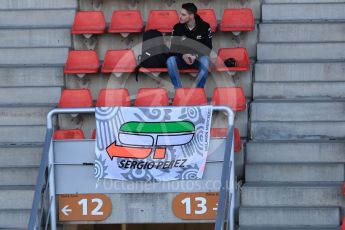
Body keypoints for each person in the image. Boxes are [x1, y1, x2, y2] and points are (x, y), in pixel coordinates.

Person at [167, 3, 213, 89]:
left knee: (205, 60)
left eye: (183, 14)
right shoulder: (177, 27)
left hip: (197, 59)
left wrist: (195, 56)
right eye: (180, 13)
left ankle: (199, 91)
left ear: (192, 15)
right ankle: (178, 90)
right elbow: (173, 49)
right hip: (181, 59)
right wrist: (183, 55)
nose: (180, 16)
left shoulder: (205, 26)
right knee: (170, 60)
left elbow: (208, 47)